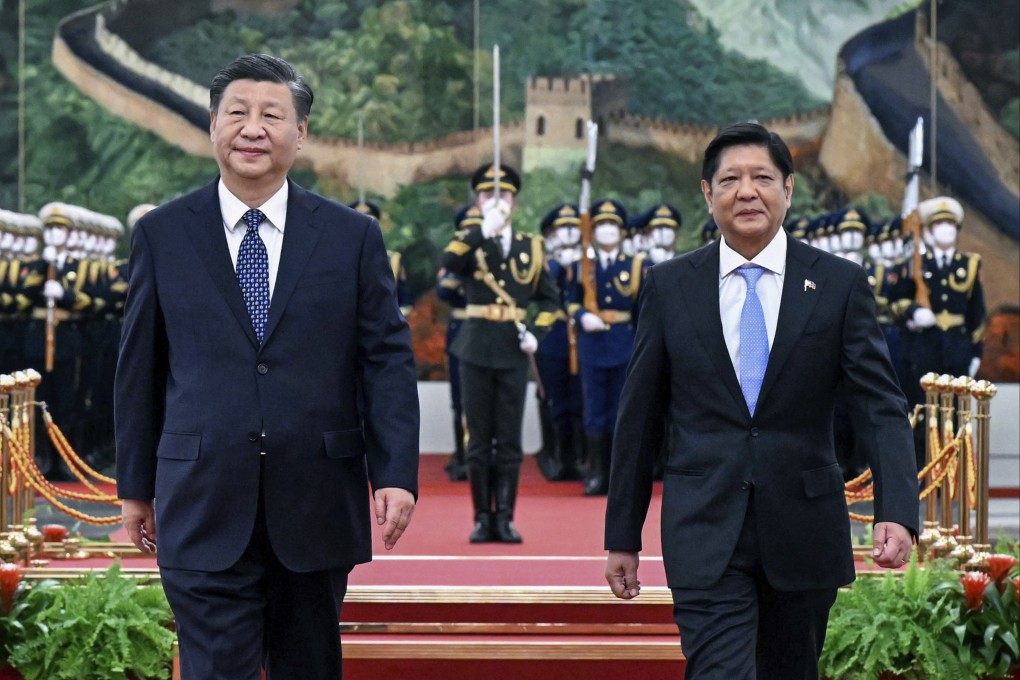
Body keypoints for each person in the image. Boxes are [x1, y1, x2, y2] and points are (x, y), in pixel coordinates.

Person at [115, 54, 419, 680]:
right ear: (213, 126)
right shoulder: (162, 235)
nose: (252, 129)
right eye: (237, 113)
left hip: (315, 501)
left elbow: (386, 361)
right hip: (201, 499)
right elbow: (140, 370)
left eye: (272, 116)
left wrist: (395, 473)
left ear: (300, 133)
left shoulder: (351, 237)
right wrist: (135, 488)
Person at [603, 122, 919, 679]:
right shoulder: (670, 286)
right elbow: (640, 418)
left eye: (762, 178)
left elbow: (879, 406)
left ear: (788, 189)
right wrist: (622, 536)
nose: (746, 192)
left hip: (803, 530)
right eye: (730, 180)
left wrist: (896, 508)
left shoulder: (839, 284)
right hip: (705, 530)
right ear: (708, 194)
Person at [439, 163, 560, 543]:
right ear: (477, 202)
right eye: (487, 194)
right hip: (475, 348)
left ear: (514, 202)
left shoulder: (531, 246)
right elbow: (449, 264)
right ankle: (481, 518)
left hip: (512, 350)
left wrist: (536, 334)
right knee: (478, 439)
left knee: (508, 440)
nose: (496, 200)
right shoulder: (469, 240)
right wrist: (482, 231)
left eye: (503, 194)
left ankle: (505, 517)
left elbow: (550, 300)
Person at [567, 199, 648, 496]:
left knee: (620, 412)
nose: (607, 230)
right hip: (592, 345)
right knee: (594, 411)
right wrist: (582, 316)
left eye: (613, 225)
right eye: (601, 225)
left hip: (624, 345)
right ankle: (596, 473)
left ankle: (618, 476)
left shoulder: (635, 266)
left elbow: (642, 311)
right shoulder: (582, 266)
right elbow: (570, 300)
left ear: (623, 231)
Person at [435, 203, 482, 481]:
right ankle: (462, 455)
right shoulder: (453, 258)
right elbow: (444, 291)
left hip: (485, 328)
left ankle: (482, 453)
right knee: (460, 396)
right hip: (461, 327)